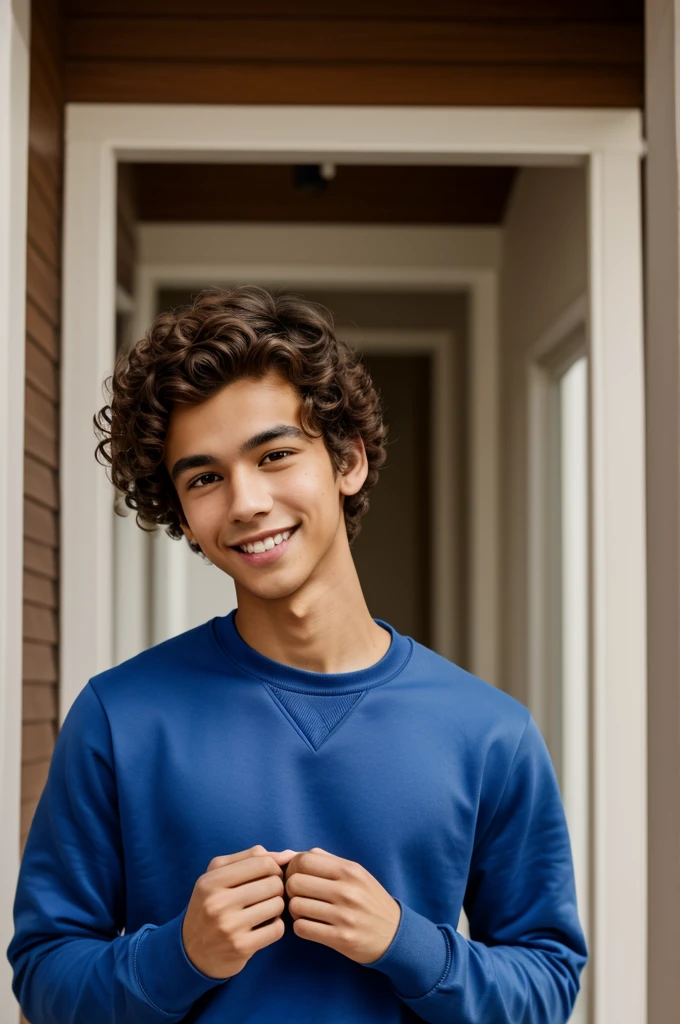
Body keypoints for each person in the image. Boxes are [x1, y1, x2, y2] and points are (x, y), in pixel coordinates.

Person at [7, 285, 588, 1023]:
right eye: (206, 477)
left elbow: (546, 985)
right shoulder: (118, 717)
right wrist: (178, 955)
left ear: (347, 461)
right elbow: (45, 977)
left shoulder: (491, 733)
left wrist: (408, 944)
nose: (245, 501)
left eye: (275, 454)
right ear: (182, 512)